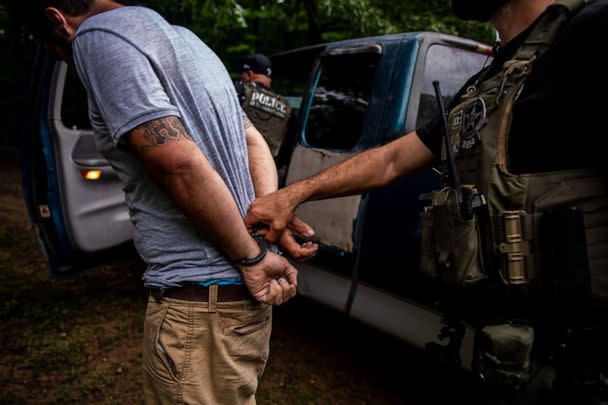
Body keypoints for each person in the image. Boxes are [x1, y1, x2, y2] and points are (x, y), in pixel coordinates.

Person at [246, 0, 608, 401]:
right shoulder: (493, 78)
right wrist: (292, 195)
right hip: (508, 351)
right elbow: (391, 159)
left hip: (584, 362)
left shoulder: (591, 32)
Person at [30, 0, 316, 403]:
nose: (68, 62)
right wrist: (266, 227)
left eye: (55, 52)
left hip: (199, 310)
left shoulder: (95, 38)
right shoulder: (189, 42)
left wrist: (251, 258)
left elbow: (177, 162)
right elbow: (253, 140)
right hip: (238, 313)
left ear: (57, 20)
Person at [233, 53, 293, 164]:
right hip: (267, 169)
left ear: (249, 73)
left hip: (235, 163)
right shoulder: (286, 106)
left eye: (242, 74)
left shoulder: (239, 90)